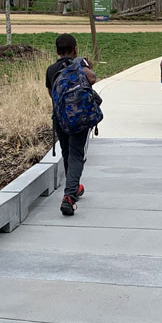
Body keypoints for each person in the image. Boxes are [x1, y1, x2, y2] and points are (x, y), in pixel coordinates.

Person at [46, 33, 98, 215]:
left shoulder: (51, 70)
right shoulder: (80, 65)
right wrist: (87, 66)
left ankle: (73, 188)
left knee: (67, 152)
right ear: (75, 49)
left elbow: (52, 96)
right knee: (76, 155)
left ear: (57, 51)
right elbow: (93, 79)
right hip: (80, 119)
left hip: (60, 118)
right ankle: (69, 196)